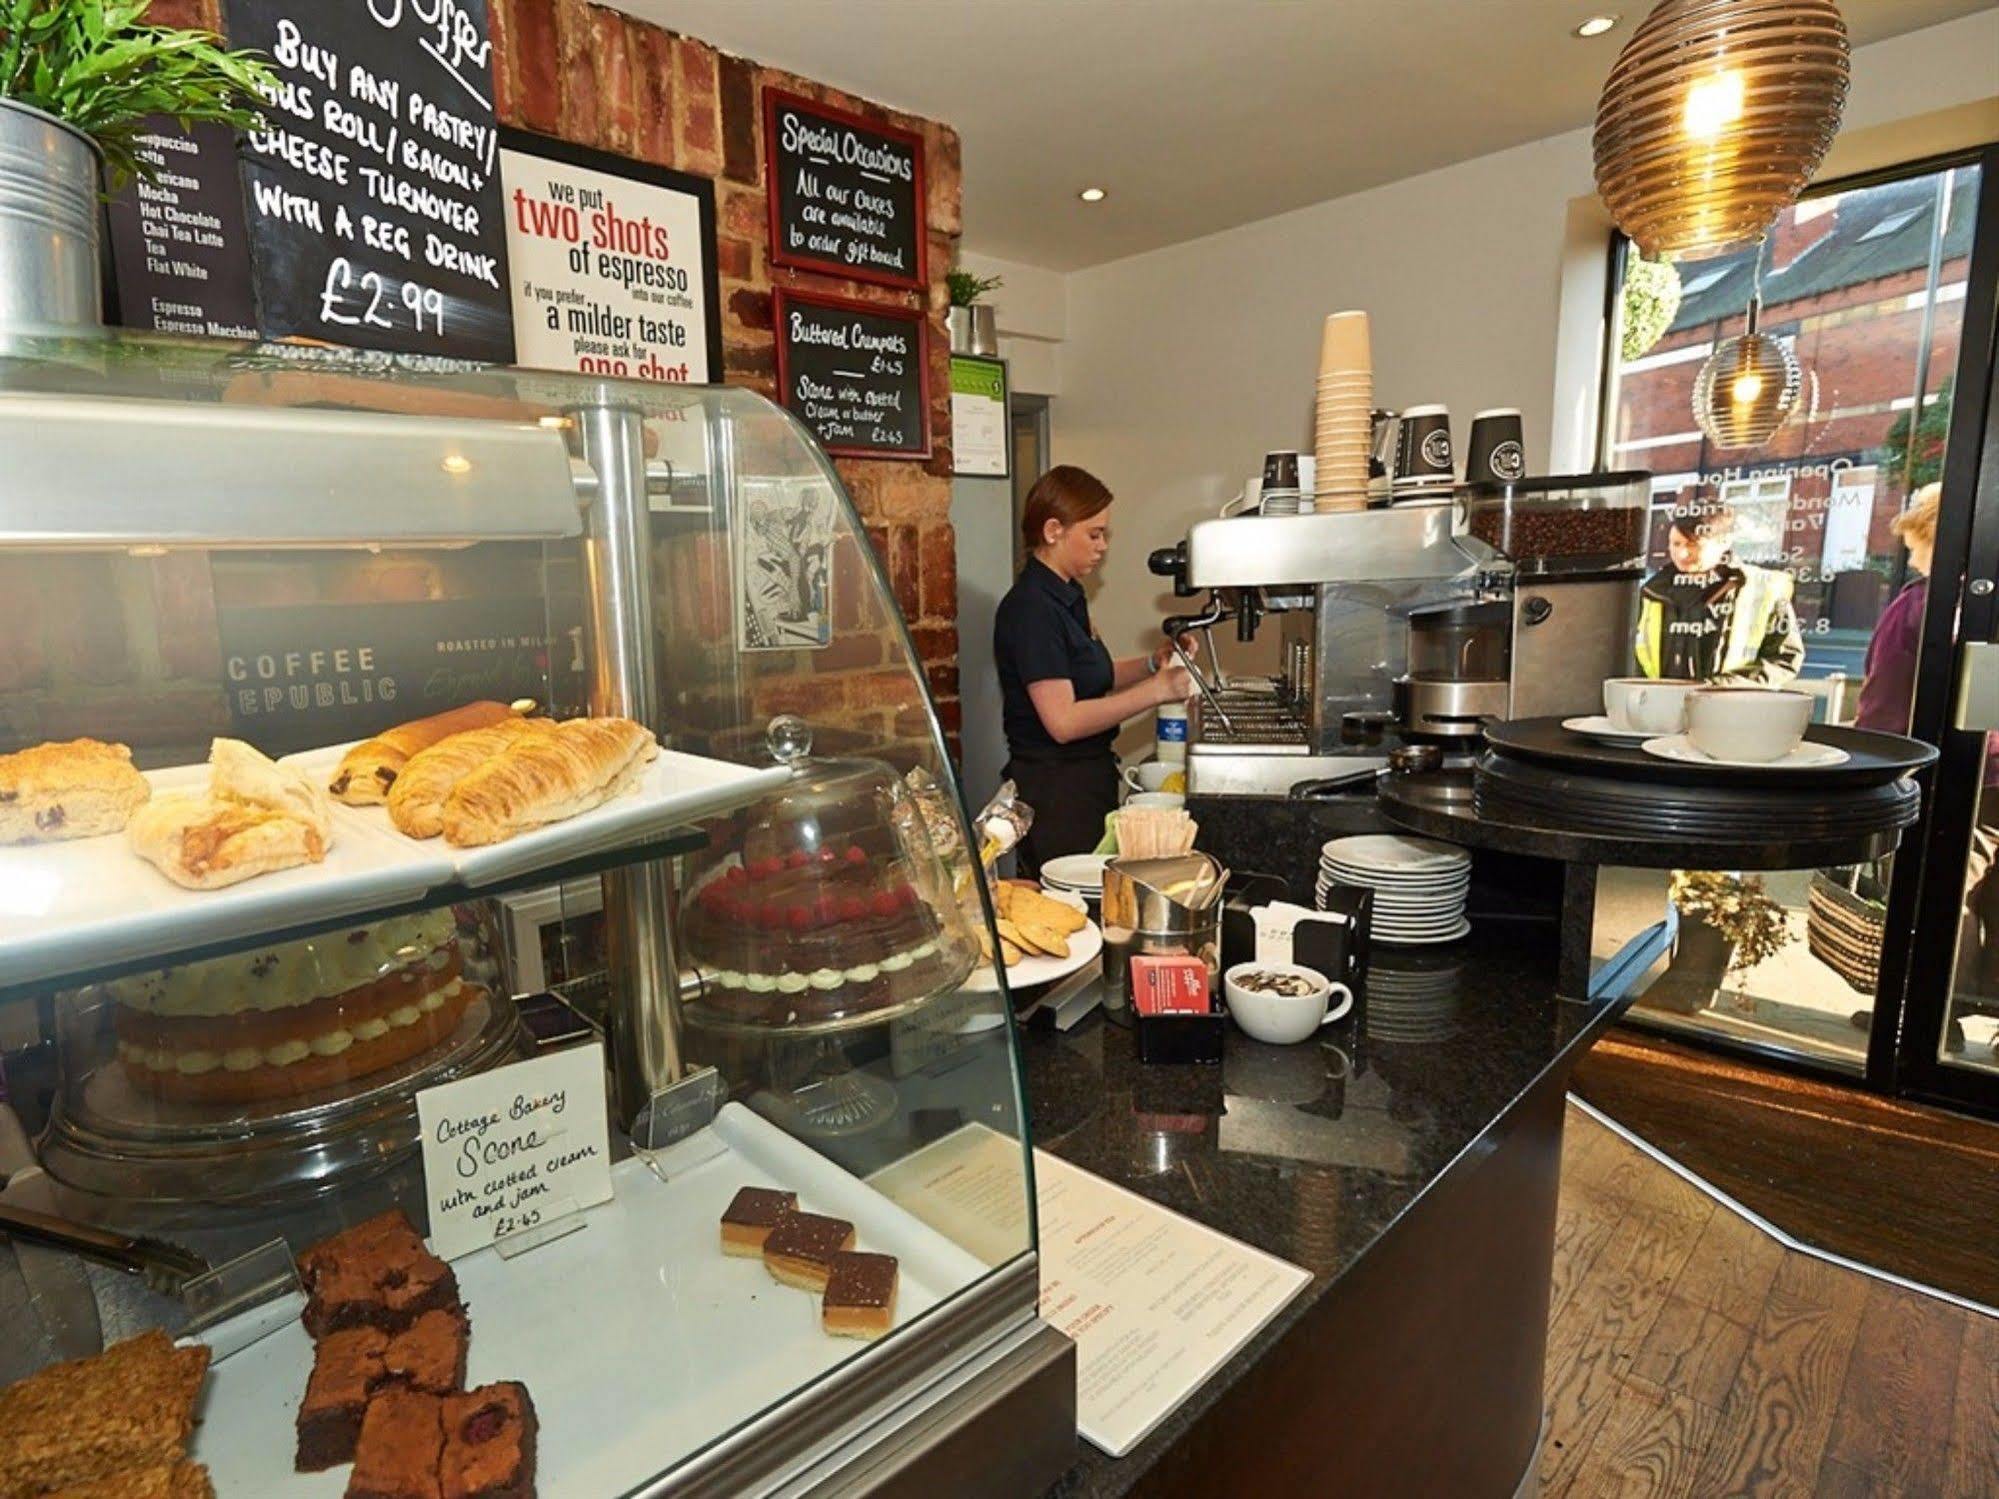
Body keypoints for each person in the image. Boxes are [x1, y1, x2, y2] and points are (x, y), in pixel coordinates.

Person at [995, 466, 1193, 876]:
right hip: (1055, 792)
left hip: (1086, 781)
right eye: (1094, 534)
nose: (1103, 546)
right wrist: (1156, 691)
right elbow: (1063, 721)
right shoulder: (1031, 609)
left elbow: (1092, 676)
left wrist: (1151, 664)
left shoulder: (1067, 595)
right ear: (1053, 531)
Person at [1853, 483, 1999, 1016]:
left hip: (1955, 774)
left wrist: (1869, 761)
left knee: (1934, 893)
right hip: (1990, 773)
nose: (1911, 551)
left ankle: (1930, 1016)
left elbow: (1888, 698)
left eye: (1917, 539)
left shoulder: (1929, 606)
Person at [1634, 502, 1805, 686]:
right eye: (1676, 543)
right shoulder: (1653, 591)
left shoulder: (1764, 589)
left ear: (1724, 542)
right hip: (1663, 707)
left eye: (1693, 544)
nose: (1682, 554)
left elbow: (1784, 660)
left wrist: (1722, 688)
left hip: (1729, 709)